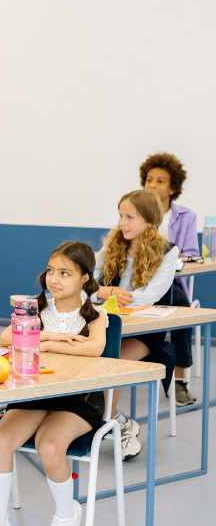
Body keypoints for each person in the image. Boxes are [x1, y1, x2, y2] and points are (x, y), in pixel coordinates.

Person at [0, 242, 107, 526]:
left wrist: (40, 340)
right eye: (51, 271)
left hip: (78, 399)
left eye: (65, 273)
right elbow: (6, 338)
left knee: (50, 447)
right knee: (1, 440)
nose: (54, 279)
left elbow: (94, 349)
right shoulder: (36, 308)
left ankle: (67, 515)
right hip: (34, 394)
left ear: (85, 279)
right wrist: (50, 338)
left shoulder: (94, 314)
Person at [94, 189, 178, 460]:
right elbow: (89, 282)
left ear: (149, 220)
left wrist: (113, 294)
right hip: (109, 325)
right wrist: (102, 292)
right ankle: (118, 423)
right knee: (93, 359)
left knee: (110, 362)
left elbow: (151, 295)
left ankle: (112, 424)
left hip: (146, 332)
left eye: (130, 217)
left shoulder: (167, 251)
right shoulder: (112, 245)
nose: (123, 223)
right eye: (120, 216)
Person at [140, 152, 199, 406]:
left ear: (173, 187)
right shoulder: (136, 211)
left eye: (160, 181)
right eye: (149, 179)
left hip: (171, 281)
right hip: (139, 282)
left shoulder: (185, 216)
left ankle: (179, 382)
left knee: (181, 312)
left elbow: (190, 254)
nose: (152, 185)